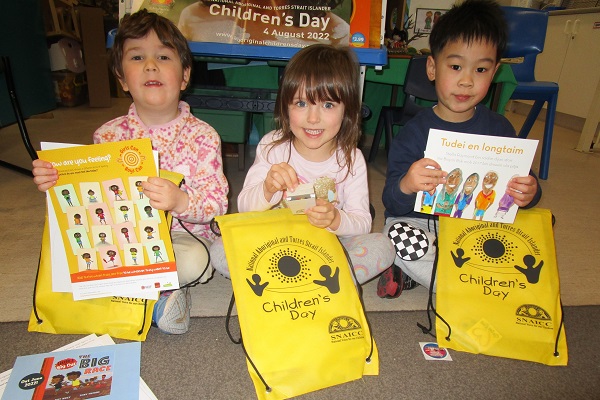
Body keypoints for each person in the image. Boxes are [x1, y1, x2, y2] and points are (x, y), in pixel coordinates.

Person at [31, 9, 229, 334]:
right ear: (122, 79)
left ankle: (163, 292)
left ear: (184, 76)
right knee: (76, 254)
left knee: (196, 262)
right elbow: (89, 200)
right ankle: (145, 290)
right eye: (137, 57)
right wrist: (57, 179)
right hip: (123, 237)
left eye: (163, 56)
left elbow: (216, 205)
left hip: (179, 236)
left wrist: (180, 201)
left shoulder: (202, 136)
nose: (151, 65)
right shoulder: (106, 135)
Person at [379, 0, 542, 296]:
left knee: (532, 233)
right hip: (426, 227)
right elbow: (391, 201)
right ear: (432, 68)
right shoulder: (414, 133)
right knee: (394, 235)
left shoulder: (501, 129)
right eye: (455, 67)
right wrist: (407, 184)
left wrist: (529, 191)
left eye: (480, 69)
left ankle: (441, 276)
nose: (466, 81)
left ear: (493, 74)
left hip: (477, 231)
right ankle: (461, 288)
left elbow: (524, 187)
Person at [210, 44, 395, 284]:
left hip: (328, 247)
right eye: (301, 103)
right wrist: (268, 189)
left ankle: (286, 282)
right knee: (219, 248)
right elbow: (244, 208)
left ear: (346, 111)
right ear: (285, 107)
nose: (313, 118)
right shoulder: (272, 146)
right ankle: (315, 283)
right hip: (275, 243)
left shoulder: (351, 158)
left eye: (328, 105)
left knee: (383, 246)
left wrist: (335, 219)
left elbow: (362, 223)